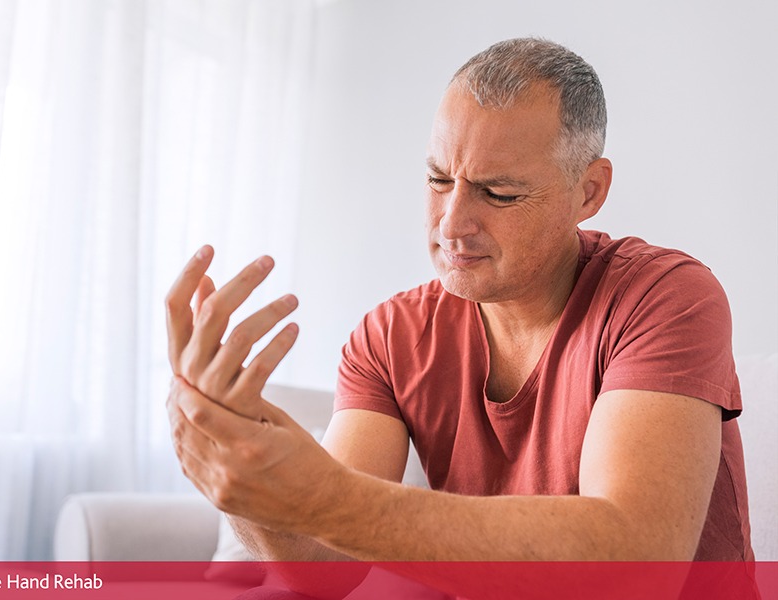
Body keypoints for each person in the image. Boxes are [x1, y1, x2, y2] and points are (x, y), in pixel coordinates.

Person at [164, 38, 753, 597]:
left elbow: (635, 570)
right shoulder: (390, 337)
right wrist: (240, 457)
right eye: (438, 180)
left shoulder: (666, 296)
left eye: (498, 194)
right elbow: (323, 572)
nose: (451, 224)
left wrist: (325, 496)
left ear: (589, 192)